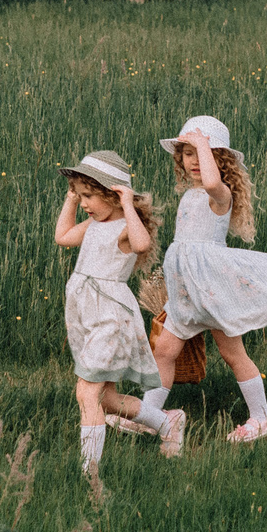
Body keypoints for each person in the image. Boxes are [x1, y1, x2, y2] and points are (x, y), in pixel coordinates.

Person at [136, 116, 267, 445]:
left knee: (233, 354)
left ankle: (262, 417)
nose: (194, 161)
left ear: (220, 160)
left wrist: (203, 146)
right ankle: (151, 416)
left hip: (214, 293)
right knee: (164, 351)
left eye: (203, 154)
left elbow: (213, 182)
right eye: (187, 153)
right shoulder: (190, 195)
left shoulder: (220, 195)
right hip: (187, 296)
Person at [54, 150, 180, 498]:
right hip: (89, 316)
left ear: (113, 194)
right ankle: (166, 422)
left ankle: (90, 475)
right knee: (106, 398)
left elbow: (142, 243)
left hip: (111, 318)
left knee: (87, 392)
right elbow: (63, 236)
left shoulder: (125, 227)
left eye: (89, 196)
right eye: (80, 195)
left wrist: (128, 204)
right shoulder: (94, 224)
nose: (84, 203)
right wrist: (70, 198)